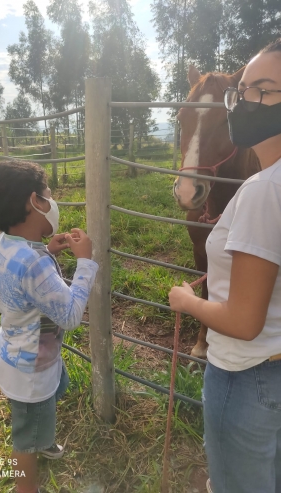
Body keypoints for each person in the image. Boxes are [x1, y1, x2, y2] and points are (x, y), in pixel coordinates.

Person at [169, 39, 281, 493]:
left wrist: (188, 302)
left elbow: (243, 321)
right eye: (243, 90)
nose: (245, 102)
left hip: (244, 375)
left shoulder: (261, 190)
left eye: (264, 90)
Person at [0, 161, 98, 493]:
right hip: (32, 365)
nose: (52, 201)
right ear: (35, 202)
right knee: (24, 437)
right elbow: (70, 316)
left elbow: (26, 273)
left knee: (43, 406)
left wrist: (47, 249)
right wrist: (86, 262)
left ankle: (42, 439)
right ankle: (26, 488)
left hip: (18, 350)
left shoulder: (6, 242)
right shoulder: (35, 264)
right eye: (48, 196)